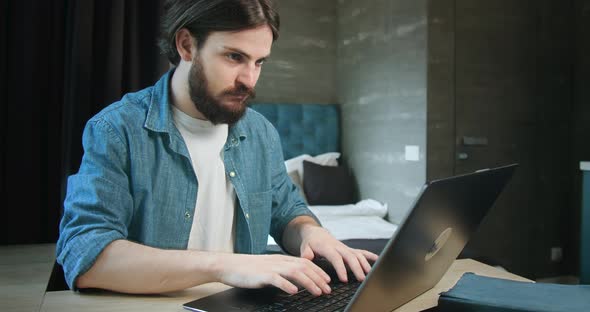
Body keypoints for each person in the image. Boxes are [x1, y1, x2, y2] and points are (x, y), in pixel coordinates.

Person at [56, 0, 378, 296]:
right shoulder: (116, 130)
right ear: (186, 45)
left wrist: (310, 234)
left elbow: (288, 212)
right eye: (234, 57)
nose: (249, 80)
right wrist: (226, 265)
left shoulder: (261, 132)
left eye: (259, 62)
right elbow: (86, 254)